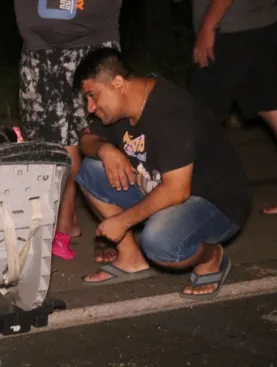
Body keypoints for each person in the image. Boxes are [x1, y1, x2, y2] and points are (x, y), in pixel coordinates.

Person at [72, 47, 251, 299]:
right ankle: (130, 259)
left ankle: (211, 256)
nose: (90, 107)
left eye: (93, 96)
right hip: (161, 189)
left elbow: (177, 191)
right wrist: (104, 148)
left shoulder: (170, 111)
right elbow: (86, 140)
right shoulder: (121, 109)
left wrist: (123, 222)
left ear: (118, 83)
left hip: (214, 202)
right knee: (91, 170)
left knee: (160, 241)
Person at [13, 0, 125, 262]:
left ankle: (113, 228)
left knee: (99, 135)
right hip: (39, 49)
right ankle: (65, 219)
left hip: (92, 44)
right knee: (50, 145)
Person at [189, 0, 277, 216]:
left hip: (230, 27)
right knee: (272, 106)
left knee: (200, 115)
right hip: (261, 20)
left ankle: (204, 199)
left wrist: (208, 26)